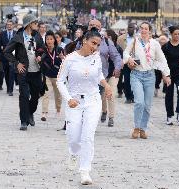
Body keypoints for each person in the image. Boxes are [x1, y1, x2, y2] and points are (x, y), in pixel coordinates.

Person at [57, 28, 112, 185]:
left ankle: (85, 171)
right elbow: (60, 81)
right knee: (74, 137)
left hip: (93, 100)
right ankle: (74, 153)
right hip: (74, 101)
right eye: (93, 43)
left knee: (88, 136)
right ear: (84, 41)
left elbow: (99, 74)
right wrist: (68, 99)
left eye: (98, 44)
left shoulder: (97, 58)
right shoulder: (69, 59)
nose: (95, 47)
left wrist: (106, 85)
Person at [123, 21, 171, 139]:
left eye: (146, 28)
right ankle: (136, 127)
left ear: (150, 31)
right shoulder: (134, 41)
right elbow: (125, 53)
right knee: (139, 102)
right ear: (139, 30)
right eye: (142, 28)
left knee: (147, 105)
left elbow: (162, 59)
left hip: (150, 76)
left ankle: (143, 129)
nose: (143, 30)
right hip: (136, 75)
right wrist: (129, 59)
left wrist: (166, 74)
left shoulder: (155, 44)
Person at [4, 14, 44, 131]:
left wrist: (40, 56)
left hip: (36, 71)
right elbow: (6, 52)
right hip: (23, 72)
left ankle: (30, 112)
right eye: (35, 23)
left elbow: (42, 49)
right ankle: (23, 121)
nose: (37, 25)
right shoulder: (18, 36)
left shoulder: (37, 36)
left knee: (36, 97)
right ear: (29, 24)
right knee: (24, 96)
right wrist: (17, 63)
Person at [86, 19, 122, 125]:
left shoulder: (106, 41)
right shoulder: (82, 40)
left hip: (102, 75)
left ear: (100, 28)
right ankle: (88, 121)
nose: (93, 27)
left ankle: (106, 116)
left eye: (96, 26)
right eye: (91, 25)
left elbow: (116, 56)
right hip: (86, 75)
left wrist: (117, 67)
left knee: (99, 97)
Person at [161, 26, 179, 126]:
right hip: (169, 74)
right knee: (169, 94)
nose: (177, 36)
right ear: (171, 34)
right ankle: (169, 116)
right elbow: (162, 61)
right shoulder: (166, 47)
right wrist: (163, 75)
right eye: (175, 34)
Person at [40, 30, 65, 121]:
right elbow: (38, 59)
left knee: (58, 95)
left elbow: (65, 62)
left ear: (54, 40)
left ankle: (58, 110)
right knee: (46, 94)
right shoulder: (43, 50)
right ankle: (44, 113)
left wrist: (63, 58)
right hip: (47, 76)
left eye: (51, 39)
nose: (49, 41)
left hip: (58, 77)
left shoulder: (59, 50)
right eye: (47, 39)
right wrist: (38, 59)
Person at [0, 19, 16, 96]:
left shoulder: (16, 34)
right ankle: (8, 87)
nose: (9, 26)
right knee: (7, 73)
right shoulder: (2, 34)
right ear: (6, 25)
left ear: (13, 25)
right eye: (8, 24)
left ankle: (10, 90)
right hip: (4, 57)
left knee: (12, 72)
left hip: (13, 57)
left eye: (10, 24)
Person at [117, 23, 136, 103]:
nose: (131, 29)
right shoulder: (121, 38)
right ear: (127, 28)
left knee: (135, 81)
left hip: (135, 62)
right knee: (127, 80)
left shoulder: (137, 38)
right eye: (130, 27)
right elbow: (117, 50)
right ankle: (128, 97)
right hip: (124, 62)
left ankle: (133, 96)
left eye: (133, 28)